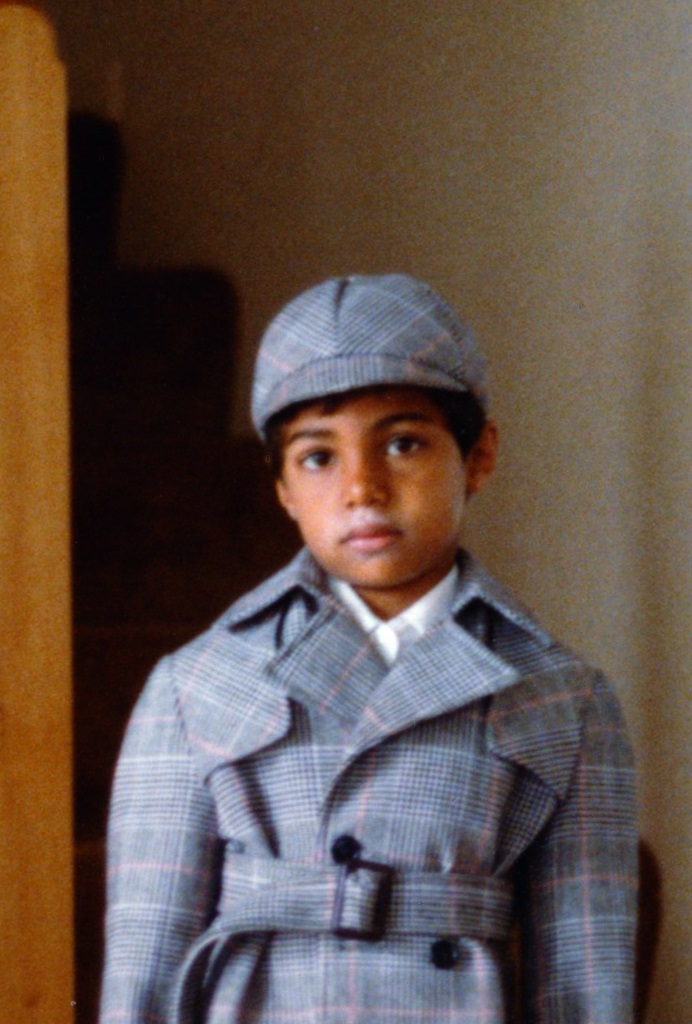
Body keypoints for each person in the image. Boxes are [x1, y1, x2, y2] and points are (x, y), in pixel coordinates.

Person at [99, 274, 638, 1024]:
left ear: (478, 456)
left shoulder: (563, 696)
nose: (363, 488)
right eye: (319, 458)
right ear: (282, 487)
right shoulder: (197, 683)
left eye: (403, 443)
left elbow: (587, 983)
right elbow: (145, 968)